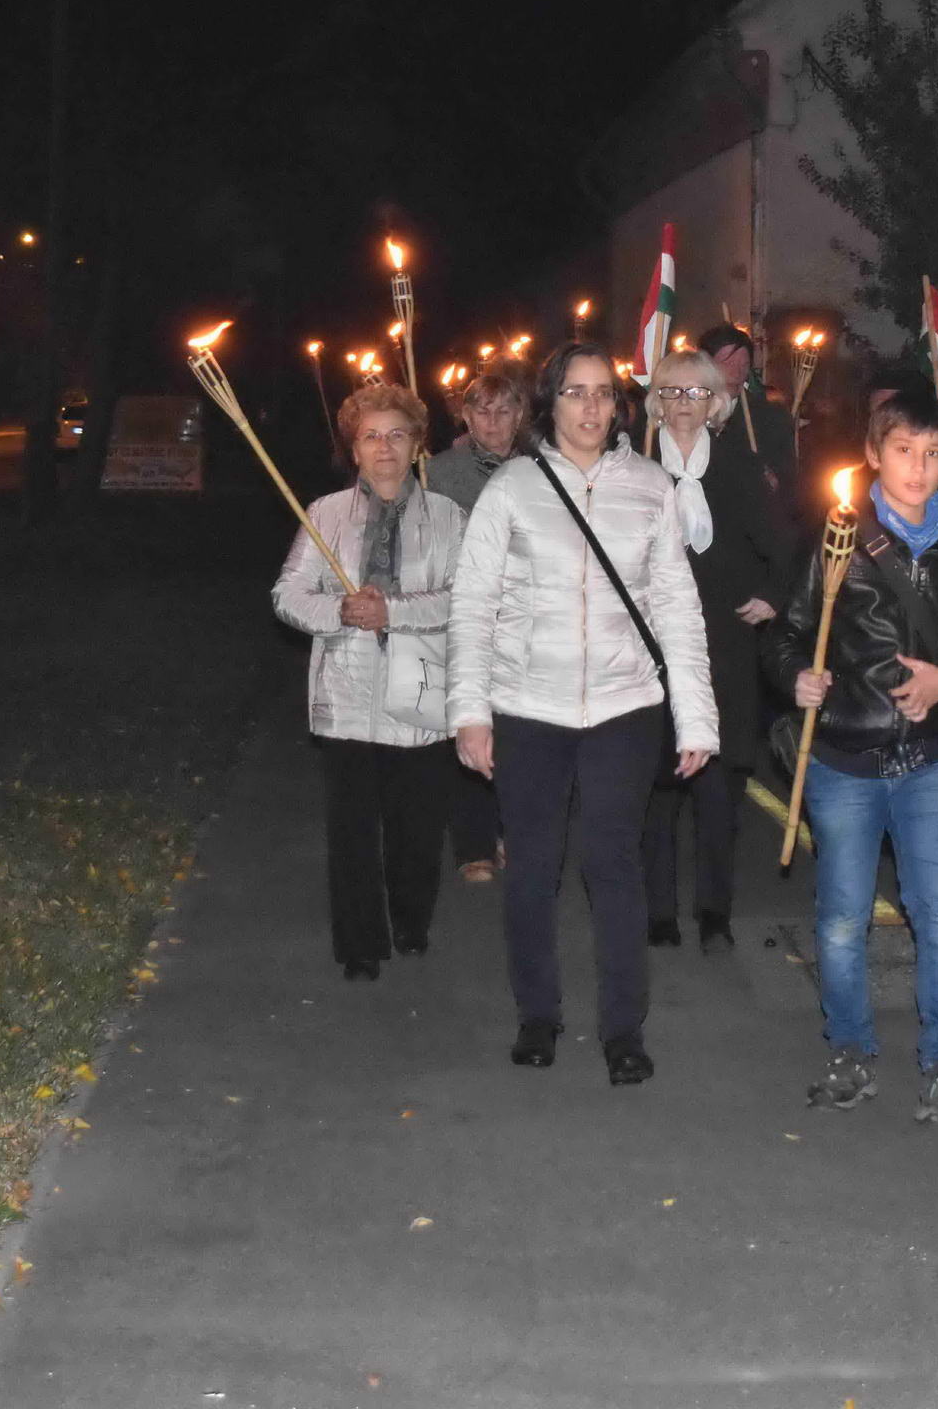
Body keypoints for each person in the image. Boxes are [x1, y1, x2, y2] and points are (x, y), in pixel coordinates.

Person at [448, 343, 719, 1085]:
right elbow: (473, 605)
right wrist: (470, 712)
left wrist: (696, 718)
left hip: (624, 707)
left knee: (614, 866)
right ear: (550, 401)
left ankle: (623, 1031)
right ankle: (537, 1015)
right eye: (576, 392)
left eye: (603, 392)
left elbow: (677, 609)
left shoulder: (652, 487)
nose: (592, 407)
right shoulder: (512, 487)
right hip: (527, 707)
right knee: (532, 868)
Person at [766, 380, 938, 1124]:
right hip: (846, 756)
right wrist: (797, 676)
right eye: (904, 450)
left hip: (935, 755)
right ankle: (849, 1048)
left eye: (933, 453)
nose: (918, 467)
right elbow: (789, 632)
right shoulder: (838, 540)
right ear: (874, 454)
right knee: (842, 916)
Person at [271, 383, 467, 982]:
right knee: (352, 831)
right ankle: (359, 944)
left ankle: (411, 920)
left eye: (397, 434)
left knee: (417, 827)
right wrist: (340, 611)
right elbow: (288, 594)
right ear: (353, 449)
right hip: (348, 695)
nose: (384, 448)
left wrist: (393, 611)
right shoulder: (326, 514)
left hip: (422, 691)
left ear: (417, 444)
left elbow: (465, 597)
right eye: (371, 436)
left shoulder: (447, 517)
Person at [640, 346, 794, 953]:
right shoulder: (634, 469)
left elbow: (782, 543)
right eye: (672, 391)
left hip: (723, 643)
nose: (683, 403)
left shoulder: (739, 466)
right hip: (650, 643)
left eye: (696, 392)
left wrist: (772, 596)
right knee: (656, 783)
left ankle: (713, 913)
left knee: (719, 786)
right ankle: (658, 912)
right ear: (655, 402)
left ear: (716, 403)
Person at [426, 365, 529, 884]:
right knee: (469, 721)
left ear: (520, 415)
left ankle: (514, 829)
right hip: (464, 611)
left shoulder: (537, 468)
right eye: (482, 411)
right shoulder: (440, 472)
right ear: (466, 417)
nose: (493, 421)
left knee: (518, 729)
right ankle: (473, 843)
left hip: (523, 616)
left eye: (504, 410)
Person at [697, 325, 796, 490]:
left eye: (744, 365)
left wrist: (774, 479)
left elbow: (788, 479)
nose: (737, 372)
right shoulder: (687, 414)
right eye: (728, 363)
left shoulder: (771, 418)